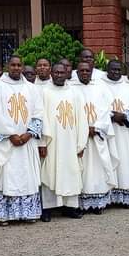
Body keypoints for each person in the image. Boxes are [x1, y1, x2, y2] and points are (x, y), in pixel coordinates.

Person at [0, 55, 44, 224]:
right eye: (13, 65)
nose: (16, 68)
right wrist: (11, 135)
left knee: (27, 175)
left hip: (27, 141)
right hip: (6, 142)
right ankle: (4, 215)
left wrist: (28, 134)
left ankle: (28, 213)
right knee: (6, 177)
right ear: (7, 66)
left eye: (19, 65)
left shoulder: (32, 88)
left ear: (22, 67)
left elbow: (39, 112)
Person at [38, 63, 88, 219]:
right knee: (49, 172)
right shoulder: (44, 92)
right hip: (51, 141)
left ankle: (70, 207)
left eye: (62, 72)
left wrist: (81, 143)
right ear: (51, 74)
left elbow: (82, 119)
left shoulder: (75, 93)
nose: (59, 75)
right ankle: (47, 208)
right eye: (56, 72)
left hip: (71, 141)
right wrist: (42, 143)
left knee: (71, 172)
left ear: (67, 73)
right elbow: (40, 118)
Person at [75, 61, 117, 213]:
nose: (85, 73)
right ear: (77, 72)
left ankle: (98, 202)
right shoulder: (72, 89)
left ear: (91, 72)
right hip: (81, 138)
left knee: (98, 168)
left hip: (97, 136)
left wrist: (96, 127)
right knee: (82, 169)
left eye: (87, 71)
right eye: (82, 71)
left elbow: (106, 111)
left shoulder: (100, 89)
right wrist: (85, 129)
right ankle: (81, 202)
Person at [101, 60, 129, 207]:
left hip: (124, 131)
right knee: (110, 161)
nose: (116, 72)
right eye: (113, 70)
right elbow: (98, 107)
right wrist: (113, 116)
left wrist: (124, 116)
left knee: (125, 162)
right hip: (109, 132)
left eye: (119, 70)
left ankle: (125, 196)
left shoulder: (128, 88)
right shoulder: (101, 86)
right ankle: (110, 197)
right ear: (107, 70)